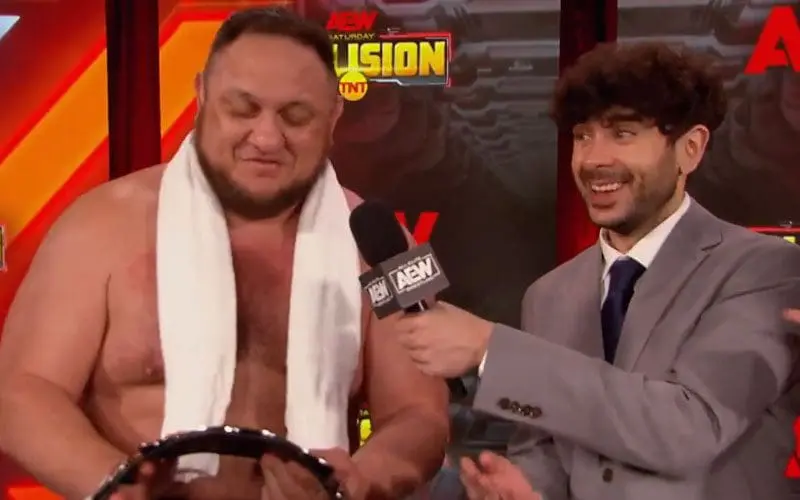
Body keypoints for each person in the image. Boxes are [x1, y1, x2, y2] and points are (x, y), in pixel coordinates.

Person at [0, 7, 448, 500]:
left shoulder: (393, 245)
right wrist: (117, 485)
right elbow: (22, 391)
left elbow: (422, 414)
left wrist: (360, 481)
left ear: (334, 114)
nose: (266, 137)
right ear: (202, 95)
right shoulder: (94, 223)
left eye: (295, 116)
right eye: (242, 109)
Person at [393, 42, 800, 500]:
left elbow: (688, 428)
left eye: (622, 134)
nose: (593, 159)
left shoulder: (764, 271)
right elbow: (549, 449)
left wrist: (491, 349)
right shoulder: (549, 295)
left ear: (690, 148)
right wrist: (529, 486)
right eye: (583, 136)